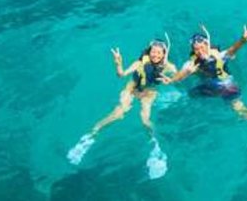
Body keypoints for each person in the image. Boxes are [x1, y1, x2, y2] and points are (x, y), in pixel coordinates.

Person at [165, 23, 247, 160]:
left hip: (226, 86)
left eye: (202, 46)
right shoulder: (192, 64)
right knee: (198, 96)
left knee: (232, 105)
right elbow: (180, 75)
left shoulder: (219, 56)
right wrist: (172, 80)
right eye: (196, 49)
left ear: (208, 45)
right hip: (216, 86)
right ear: (193, 51)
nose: (200, 50)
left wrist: (243, 39)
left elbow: (232, 50)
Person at [67, 37, 176, 177]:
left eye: (159, 52)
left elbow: (177, 77)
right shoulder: (139, 62)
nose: (155, 55)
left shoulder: (169, 66)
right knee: (118, 113)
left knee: (145, 118)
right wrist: (118, 63)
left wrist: (170, 79)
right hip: (132, 88)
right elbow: (122, 74)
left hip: (149, 92)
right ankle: (90, 136)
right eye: (153, 52)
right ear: (149, 52)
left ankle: (155, 147)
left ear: (164, 54)